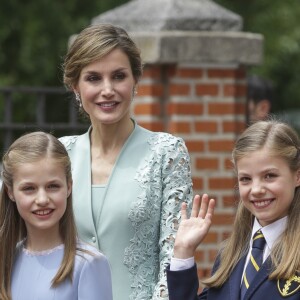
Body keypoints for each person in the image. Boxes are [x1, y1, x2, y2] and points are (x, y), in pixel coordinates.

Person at [59, 23, 193, 300]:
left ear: (135, 81)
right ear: (75, 86)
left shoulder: (167, 152)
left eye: (118, 76)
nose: (107, 90)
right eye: (93, 78)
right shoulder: (60, 154)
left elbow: (173, 254)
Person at [167, 119, 300, 299]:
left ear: (297, 176)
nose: (256, 190)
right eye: (246, 179)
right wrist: (183, 252)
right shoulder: (230, 256)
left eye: (269, 176)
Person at [0, 132, 113, 300]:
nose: (42, 199)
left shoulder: (89, 264)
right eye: (29, 188)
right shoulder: (6, 262)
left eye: (52, 186)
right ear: (10, 192)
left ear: (68, 186)